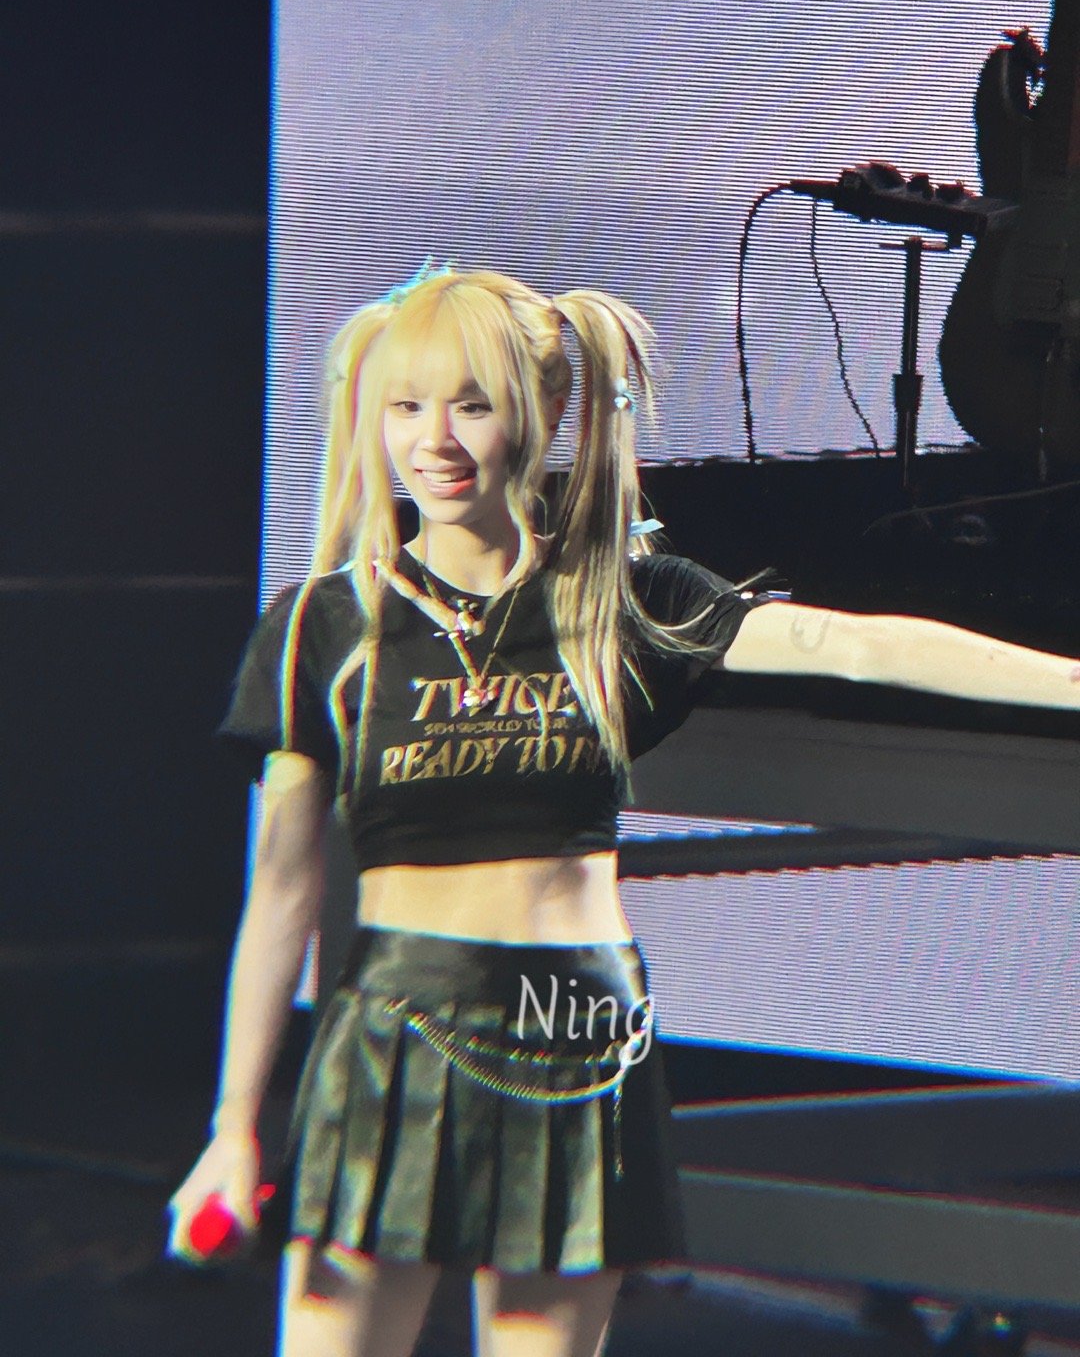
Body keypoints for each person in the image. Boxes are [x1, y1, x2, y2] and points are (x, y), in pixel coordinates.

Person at [166, 265, 1080, 1357]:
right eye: (406, 406)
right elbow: (280, 895)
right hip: (390, 1035)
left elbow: (852, 645)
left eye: (472, 404)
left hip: (577, 1039)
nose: (434, 441)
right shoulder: (325, 626)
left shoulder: (619, 602)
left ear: (547, 410)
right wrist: (232, 1130)